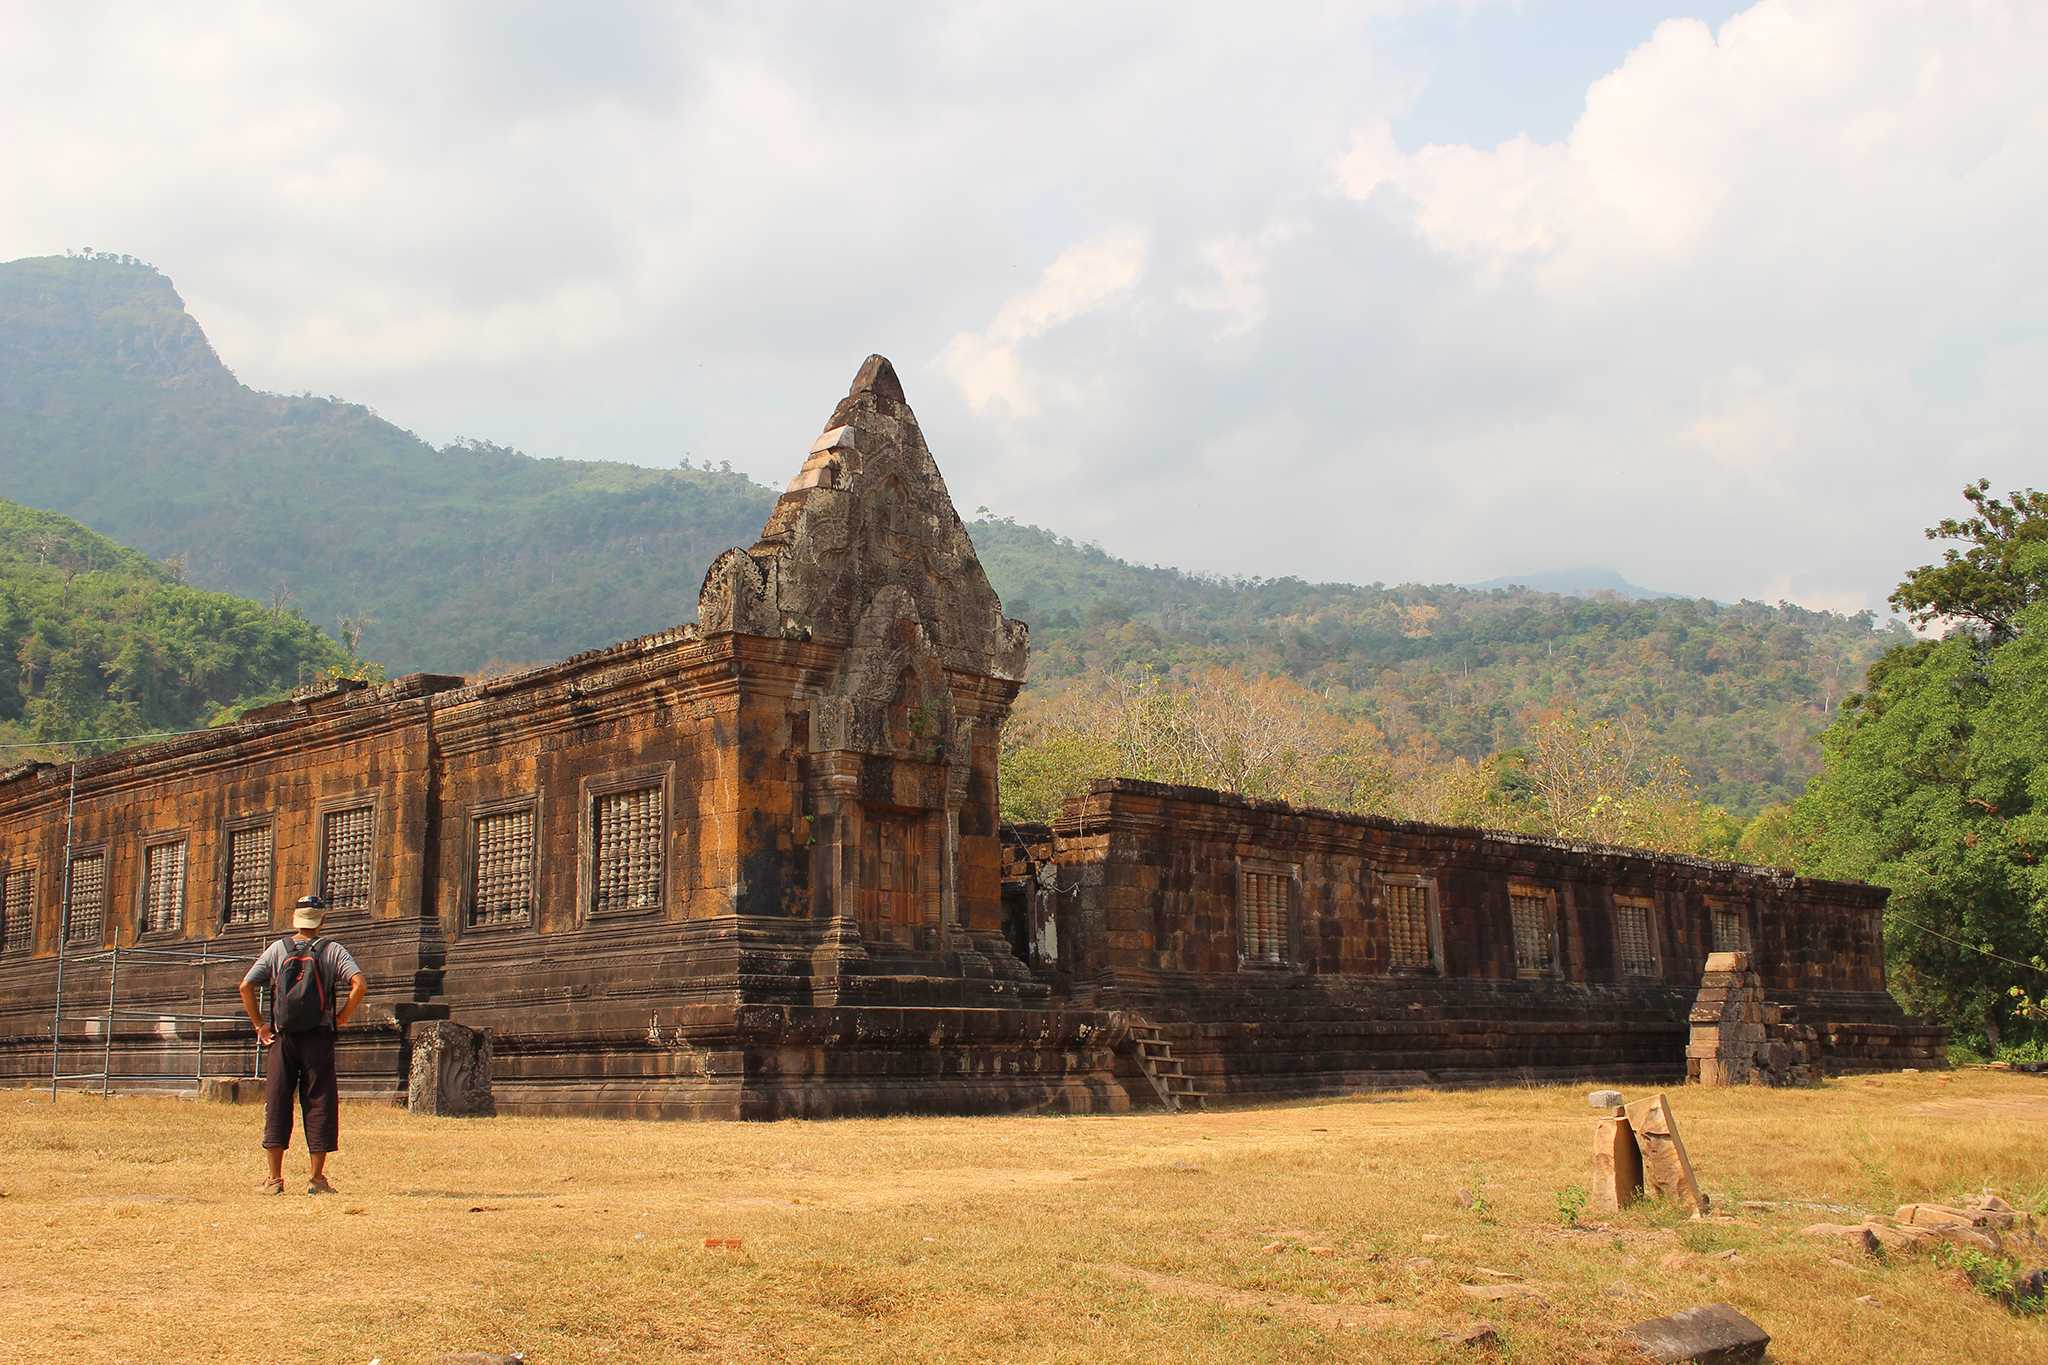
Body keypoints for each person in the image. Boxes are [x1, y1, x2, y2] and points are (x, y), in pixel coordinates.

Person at [238, 893, 367, 1195]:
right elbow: (360, 984)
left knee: (278, 1100)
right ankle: (317, 1179)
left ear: (296, 919)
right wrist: (343, 1015)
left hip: (283, 1037)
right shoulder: (332, 950)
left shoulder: (277, 950)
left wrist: (259, 1025)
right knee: (319, 1101)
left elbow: (245, 986)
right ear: (321, 920)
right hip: (318, 1036)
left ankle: (273, 1179)